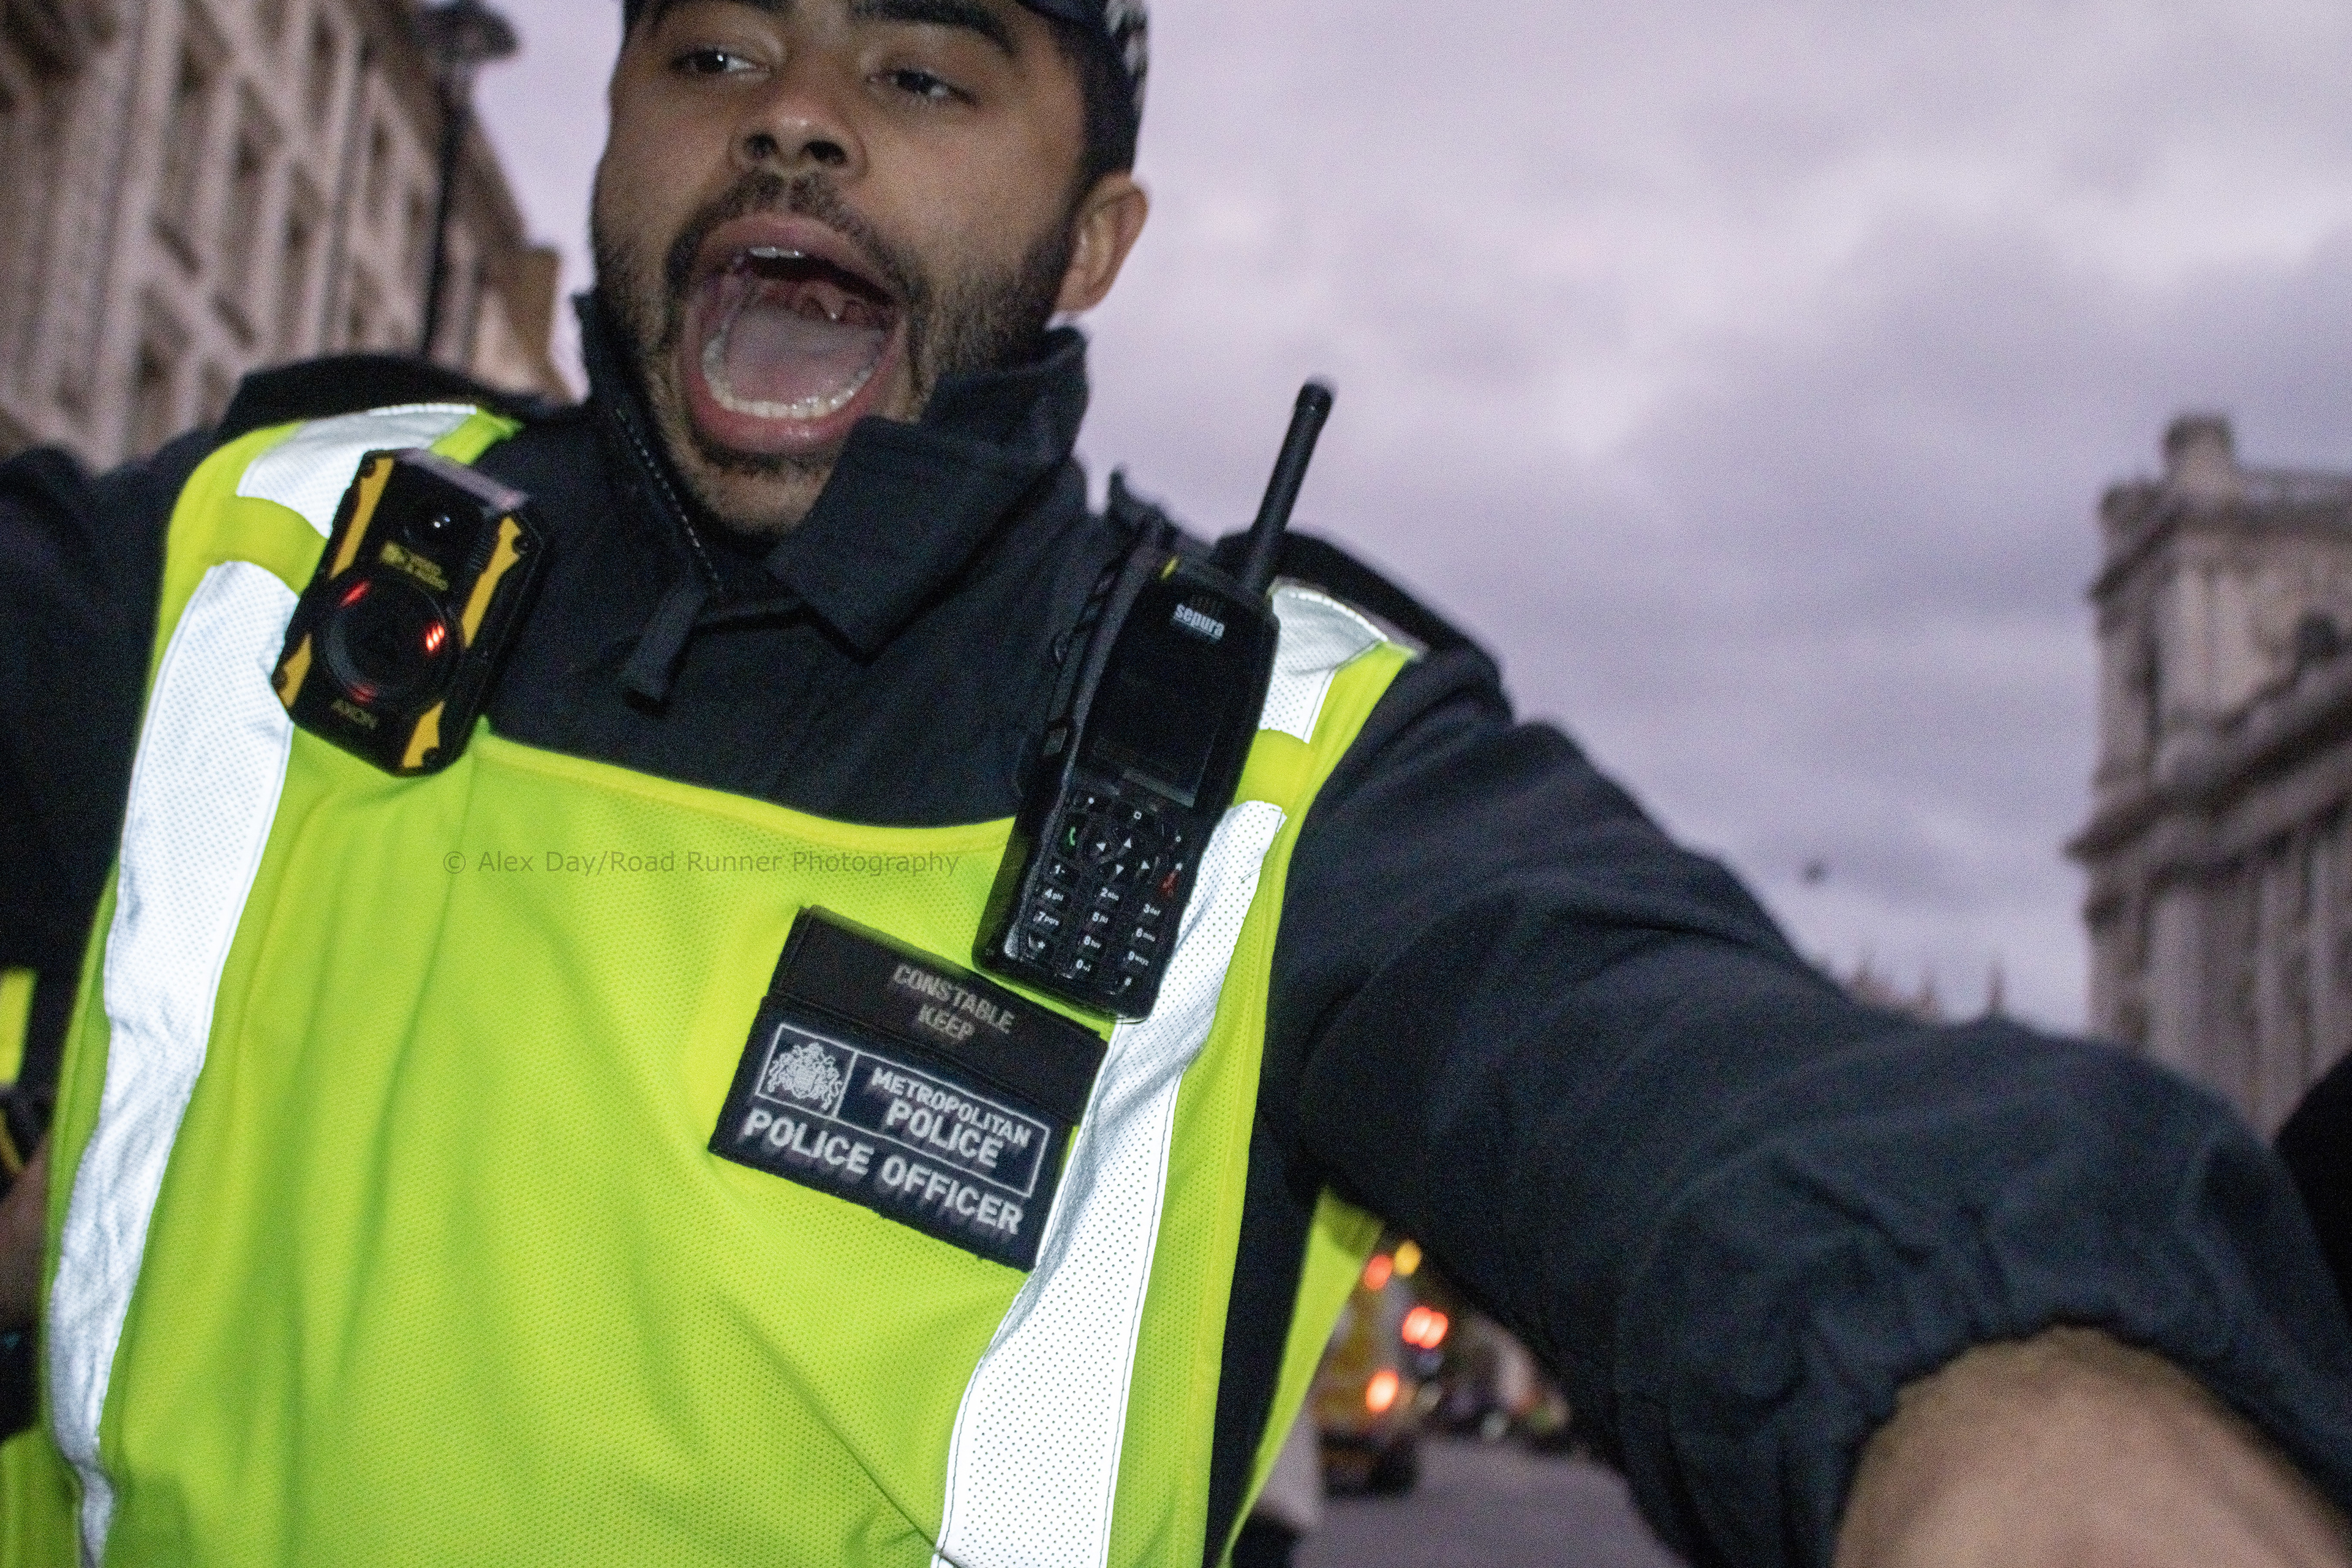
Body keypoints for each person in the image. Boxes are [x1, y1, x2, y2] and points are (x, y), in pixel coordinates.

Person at [1, 2, 2348, 1564]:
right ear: (609, 133)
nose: (795, 111)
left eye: (928, 74)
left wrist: (2005, 1378)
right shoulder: (239, 555)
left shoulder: (1296, 764)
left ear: (1092, 238)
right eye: (713, 43)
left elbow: (1671, 1069)